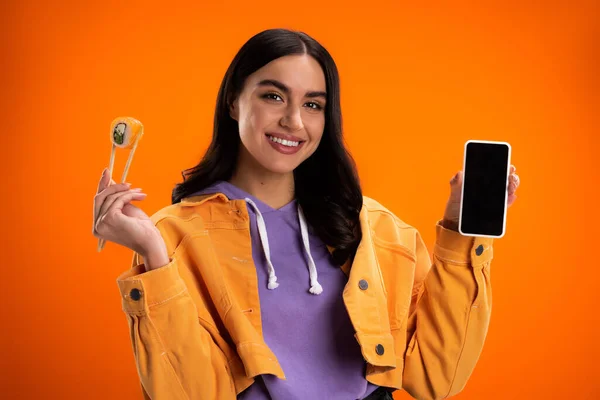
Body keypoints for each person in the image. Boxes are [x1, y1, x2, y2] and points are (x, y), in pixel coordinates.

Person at [92, 28, 520, 400]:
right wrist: (151, 253)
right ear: (234, 102)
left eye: (313, 104)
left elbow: (436, 377)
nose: (293, 121)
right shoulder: (173, 235)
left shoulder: (375, 228)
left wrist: (461, 234)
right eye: (273, 96)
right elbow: (192, 393)